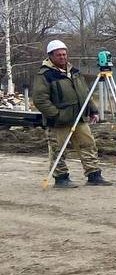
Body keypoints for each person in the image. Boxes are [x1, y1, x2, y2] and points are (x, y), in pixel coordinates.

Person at [30, 40, 111, 188]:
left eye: (64, 54)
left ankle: (94, 174)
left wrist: (92, 110)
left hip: (79, 117)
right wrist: (56, 115)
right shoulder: (45, 74)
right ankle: (61, 177)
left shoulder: (74, 72)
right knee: (57, 149)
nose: (62, 57)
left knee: (88, 145)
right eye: (59, 55)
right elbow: (40, 99)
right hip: (58, 121)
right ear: (51, 56)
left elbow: (85, 93)